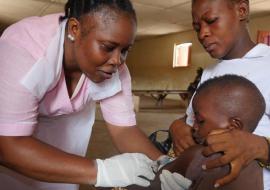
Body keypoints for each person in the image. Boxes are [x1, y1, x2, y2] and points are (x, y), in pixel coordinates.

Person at [0, 1, 173, 189]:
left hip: (68, 123)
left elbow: (124, 130)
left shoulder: (115, 68)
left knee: (63, 181)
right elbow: (8, 145)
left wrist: (164, 165)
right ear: (75, 29)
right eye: (107, 47)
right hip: (9, 129)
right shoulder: (22, 50)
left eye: (125, 50)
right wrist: (101, 171)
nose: (117, 60)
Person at [169, 0, 270, 189]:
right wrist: (177, 126)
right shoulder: (210, 71)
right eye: (197, 27)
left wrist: (261, 147)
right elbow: (193, 119)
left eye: (211, 21)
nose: (202, 33)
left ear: (241, 11)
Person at [107, 74, 264, 190]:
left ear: (233, 126)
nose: (193, 126)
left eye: (200, 121)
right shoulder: (254, 166)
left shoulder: (207, 157)